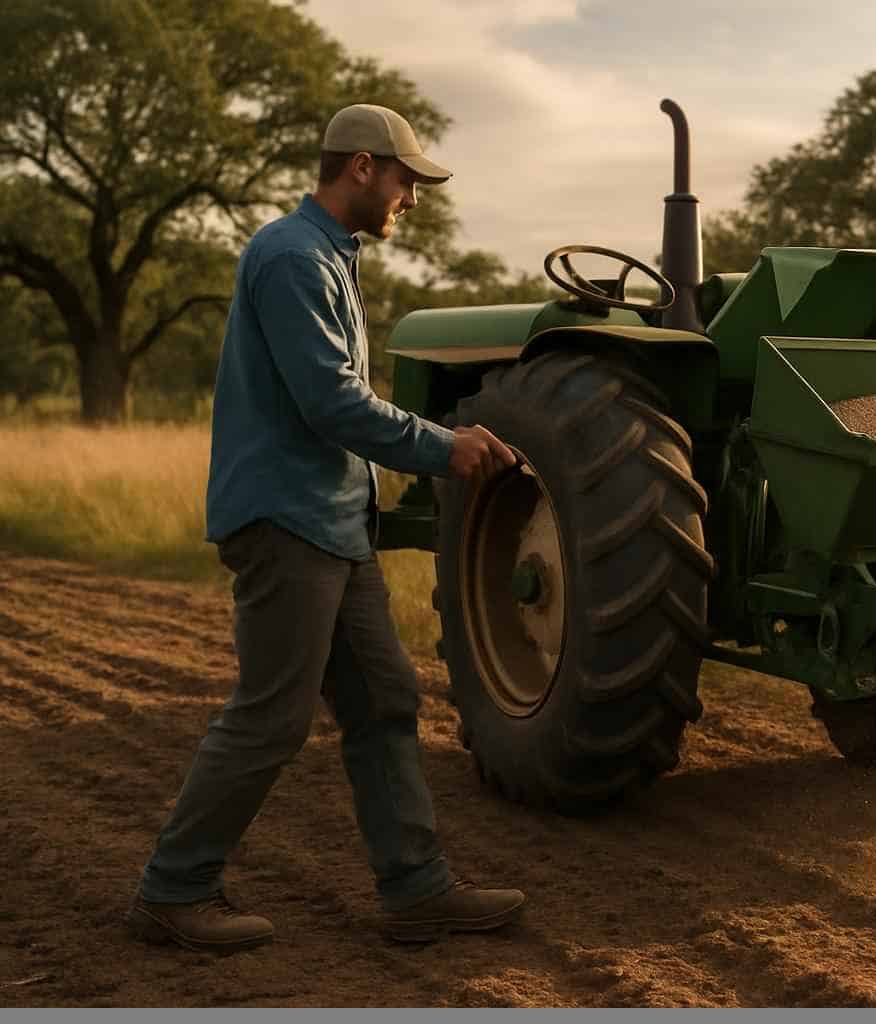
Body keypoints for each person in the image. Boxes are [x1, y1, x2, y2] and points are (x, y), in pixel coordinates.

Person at [126, 104, 522, 953]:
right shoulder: (291, 257)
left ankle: (416, 891)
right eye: (407, 180)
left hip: (336, 522)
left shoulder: (330, 256)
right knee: (273, 714)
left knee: (384, 699)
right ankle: (173, 890)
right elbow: (331, 402)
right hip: (287, 520)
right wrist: (444, 447)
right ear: (363, 167)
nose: (412, 199)